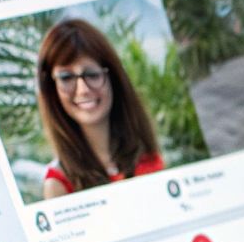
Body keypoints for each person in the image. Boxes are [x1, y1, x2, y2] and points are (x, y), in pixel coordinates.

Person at [36, 18, 165, 198]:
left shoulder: (148, 158)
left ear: (112, 78)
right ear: (52, 89)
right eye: (66, 78)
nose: (83, 90)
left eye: (92, 74)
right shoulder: (58, 184)